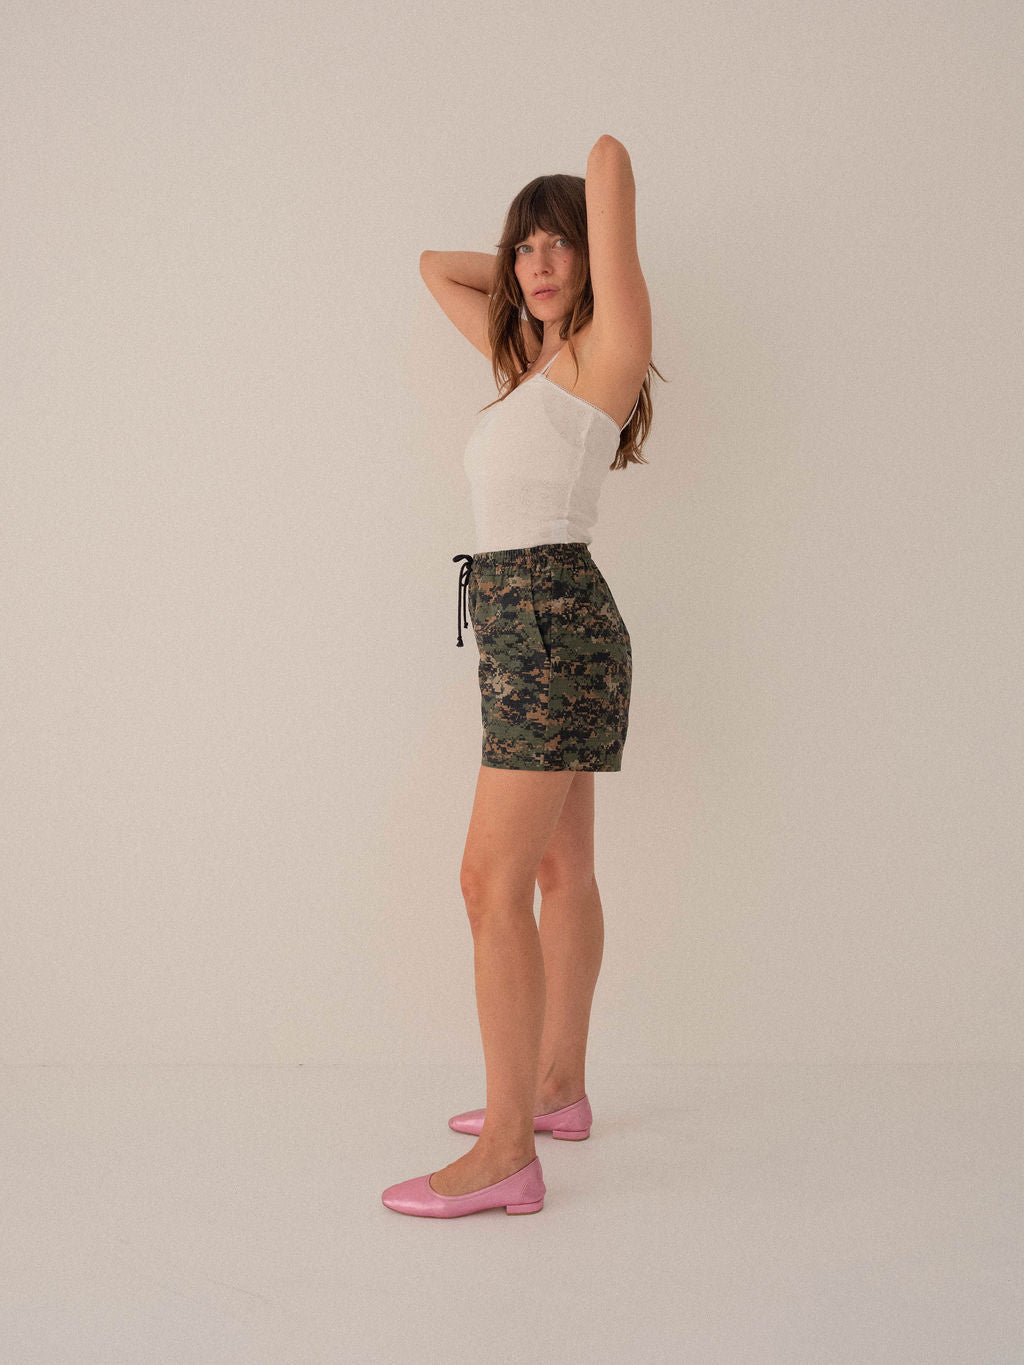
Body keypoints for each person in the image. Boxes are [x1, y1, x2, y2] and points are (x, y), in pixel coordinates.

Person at [382, 135, 660, 1218]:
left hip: (549, 622)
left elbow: (609, 160)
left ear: (597, 258)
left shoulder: (605, 351)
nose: (537, 263)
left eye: (560, 246)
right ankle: (556, 1092)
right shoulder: (530, 366)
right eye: (524, 247)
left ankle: (507, 1152)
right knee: (557, 870)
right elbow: (433, 268)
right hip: (531, 626)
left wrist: (585, 227)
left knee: (485, 881)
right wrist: (530, 273)